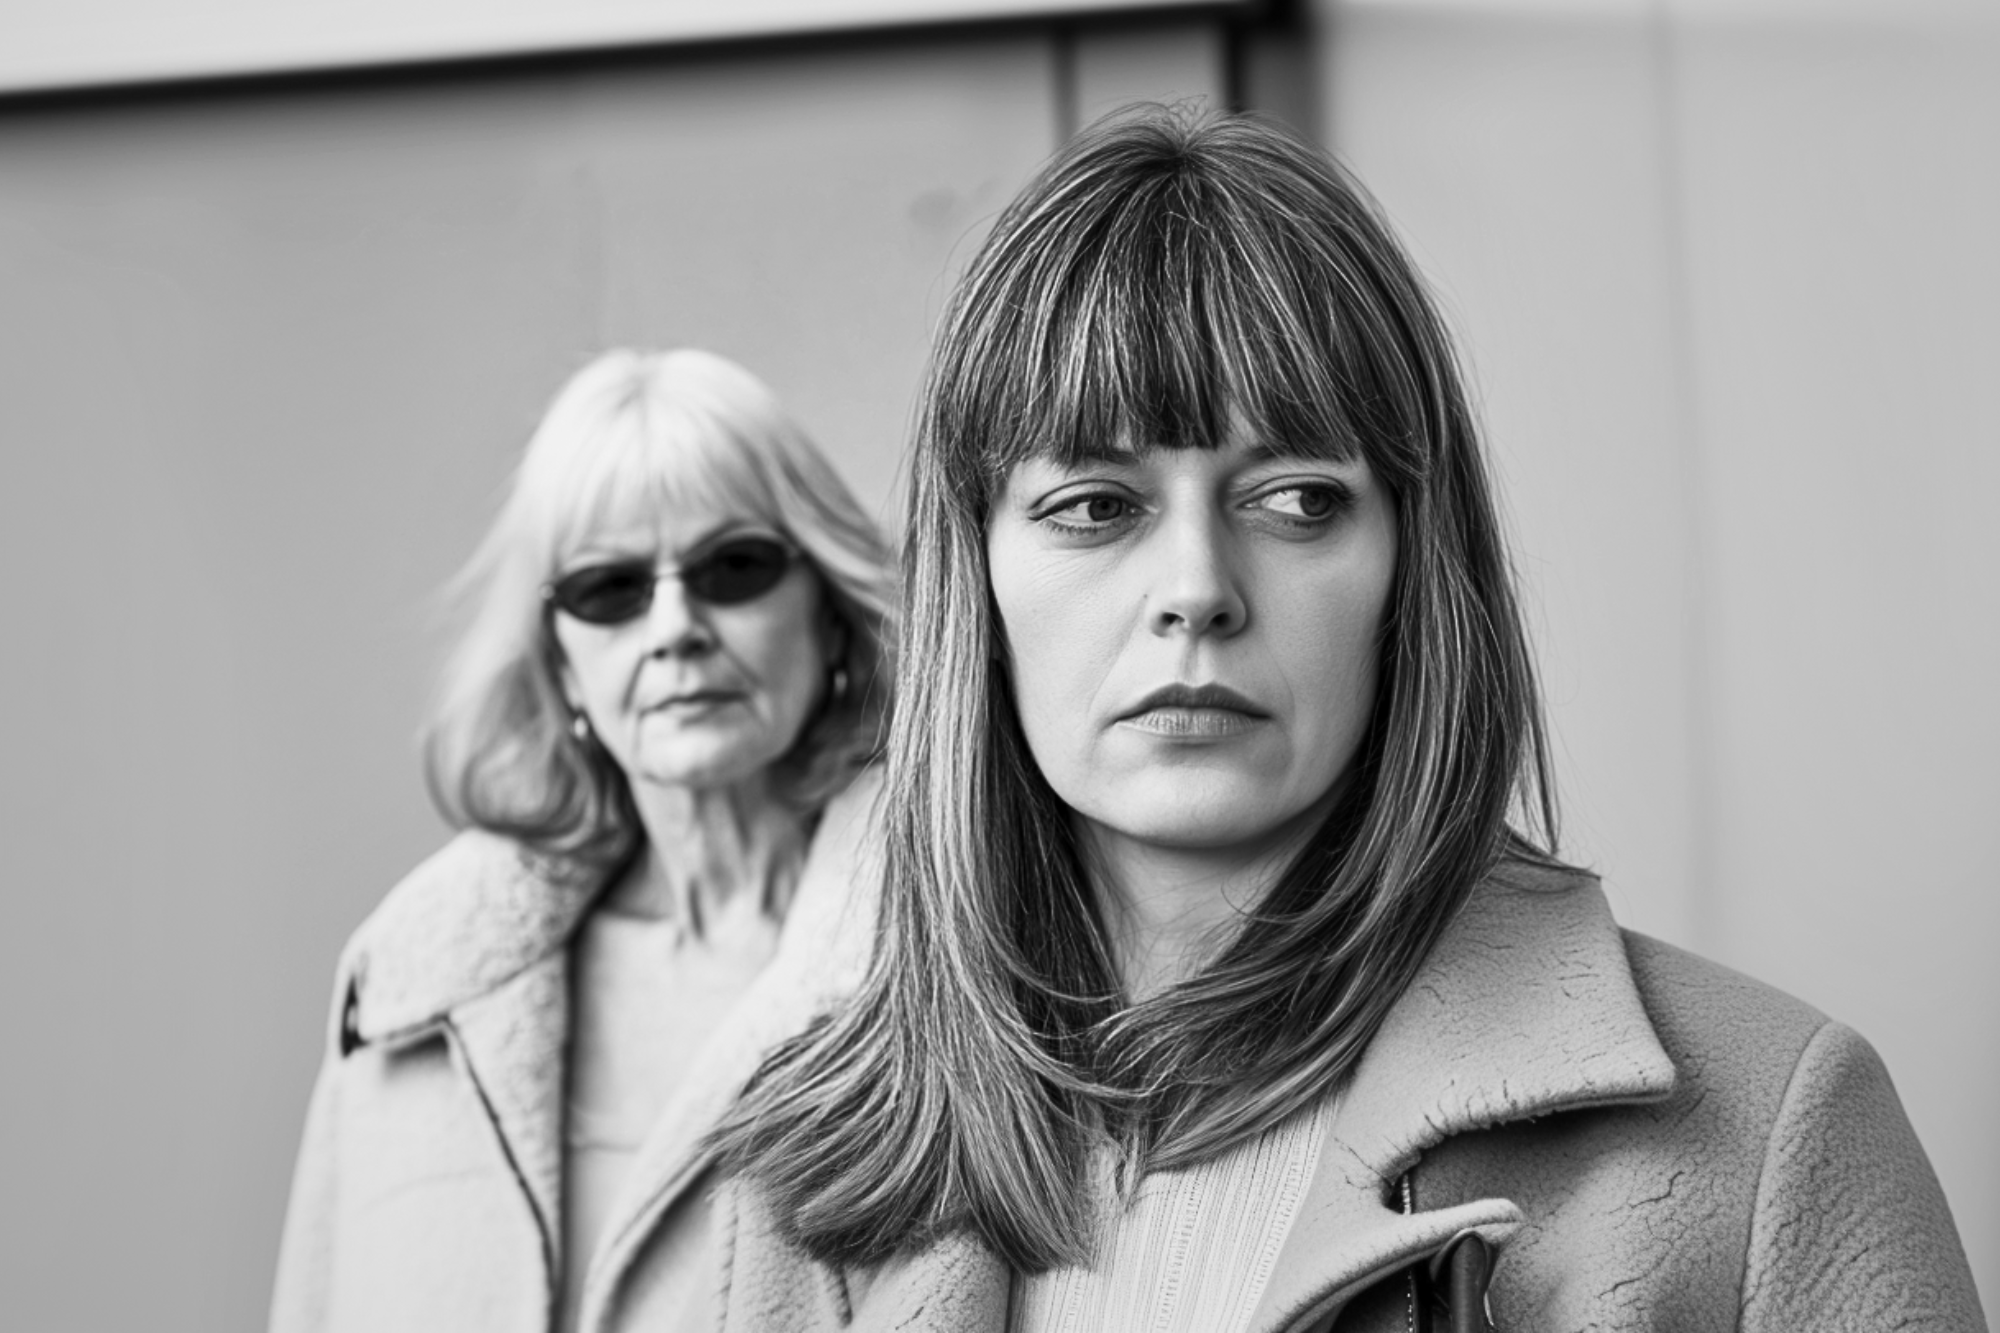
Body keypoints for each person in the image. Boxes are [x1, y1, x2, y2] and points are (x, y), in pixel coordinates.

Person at [702, 111, 1985, 1330]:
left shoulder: (1771, 1129)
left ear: (1409, 568)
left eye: (1296, 499)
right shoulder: (806, 1172)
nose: (1196, 590)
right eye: (1096, 505)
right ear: (971, 575)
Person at [269, 348, 894, 1333]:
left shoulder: (939, 964)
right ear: (560, 662)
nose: (676, 626)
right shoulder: (417, 991)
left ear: (828, 612)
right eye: (610, 589)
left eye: (734, 567)